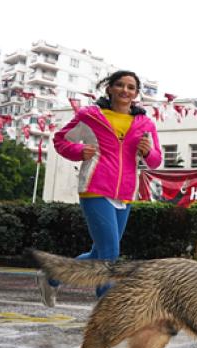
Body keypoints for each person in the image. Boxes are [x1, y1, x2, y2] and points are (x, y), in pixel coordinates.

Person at [37, 70, 161, 307]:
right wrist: (78, 151)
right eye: (120, 85)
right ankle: (107, 308)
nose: (125, 90)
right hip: (95, 186)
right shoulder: (91, 117)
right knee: (110, 252)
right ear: (109, 89)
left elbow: (156, 160)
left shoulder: (145, 124)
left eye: (131, 87)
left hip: (125, 193)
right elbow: (61, 140)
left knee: (99, 254)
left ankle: (52, 275)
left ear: (136, 94)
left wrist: (147, 151)